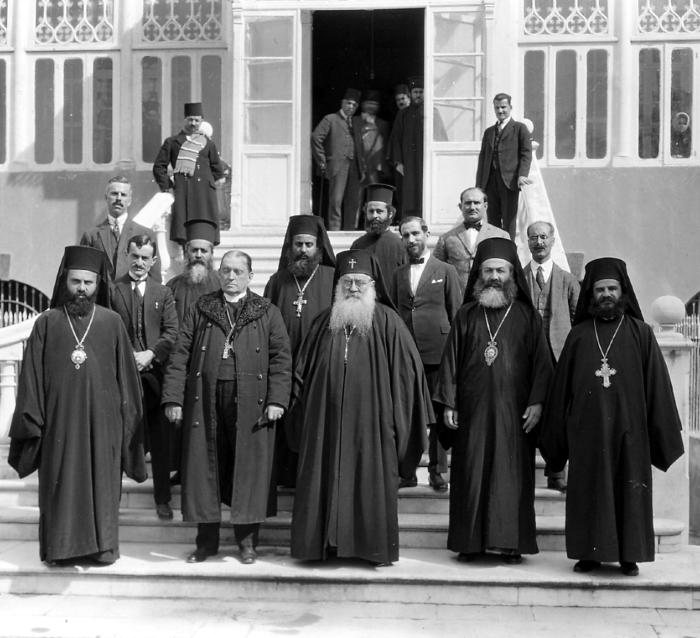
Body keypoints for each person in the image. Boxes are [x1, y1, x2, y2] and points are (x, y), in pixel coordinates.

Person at [539, 258, 684, 577]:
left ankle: (628, 555)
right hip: (587, 433)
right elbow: (561, 390)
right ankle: (588, 554)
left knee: (627, 490)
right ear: (591, 293)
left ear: (623, 292)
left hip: (629, 433)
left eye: (612, 289)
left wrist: (662, 433)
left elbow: (657, 388)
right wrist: (556, 437)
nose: (606, 294)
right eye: (600, 289)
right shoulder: (578, 336)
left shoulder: (641, 333)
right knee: (589, 491)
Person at [288, 250, 432, 565]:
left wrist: (404, 420)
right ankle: (321, 545)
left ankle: (370, 547)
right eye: (347, 282)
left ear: (372, 285)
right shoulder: (322, 322)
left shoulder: (388, 322)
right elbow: (300, 372)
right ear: (338, 286)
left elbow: (410, 375)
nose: (353, 288)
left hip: (373, 426)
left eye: (360, 283)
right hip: (324, 424)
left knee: (369, 482)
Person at [8, 246, 146, 565]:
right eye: (75, 282)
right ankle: (60, 550)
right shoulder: (46, 322)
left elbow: (127, 381)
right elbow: (31, 379)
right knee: (60, 488)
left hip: (104, 427)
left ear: (98, 284)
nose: (82, 289)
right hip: (60, 425)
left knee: (102, 489)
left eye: (88, 282)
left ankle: (102, 549)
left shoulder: (112, 323)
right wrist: (35, 422)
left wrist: (129, 426)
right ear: (64, 281)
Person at [162, 250, 292, 565]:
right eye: (226, 271)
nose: (231, 277)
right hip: (205, 399)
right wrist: (173, 398)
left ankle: (247, 543)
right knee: (205, 469)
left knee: (246, 470)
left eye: (237, 271)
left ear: (250, 275)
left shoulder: (267, 311)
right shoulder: (202, 308)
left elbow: (281, 359)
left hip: (250, 403)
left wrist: (277, 400)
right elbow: (180, 353)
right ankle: (206, 544)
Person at [434, 237, 552, 564]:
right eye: (488, 270)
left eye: (501, 270)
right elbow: (451, 363)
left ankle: (510, 544)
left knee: (511, 478)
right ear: (478, 274)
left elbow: (543, 365)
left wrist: (538, 402)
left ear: (512, 274)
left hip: (514, 414)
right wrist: (449, 402)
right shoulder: (467, 315)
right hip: (472, 413)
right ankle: (469, 543)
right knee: (470, 475)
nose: (495, 276)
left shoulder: (528, 317)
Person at [264, 214, 336, 486]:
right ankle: (285, 476)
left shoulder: (332, 277)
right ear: (289, 246)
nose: (303, 250)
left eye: (308, 244)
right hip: (283, 367)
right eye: (298, 244)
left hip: (320, 366)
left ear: (319, 247)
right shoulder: (277, 281)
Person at [111, 235, 179, 520]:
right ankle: (110, 500)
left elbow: (171, 332)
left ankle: (162, 499)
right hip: (122, 378)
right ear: (128, 256)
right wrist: (129, 359)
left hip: (154, 376)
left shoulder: (162, 293)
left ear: (153, 261)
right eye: (135, 256)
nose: (139, 263)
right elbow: (108, 331)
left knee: (160, 441)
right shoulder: (114, 291)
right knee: (116, 438)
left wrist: (151, 354)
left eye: (145, 258)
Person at [391, 217, 462, 492]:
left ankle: (437, 470)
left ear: (427, 234)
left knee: (437, 411)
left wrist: (455, 353)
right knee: (407, 413)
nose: (411, 240)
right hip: (408, 354)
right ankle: (407, 471)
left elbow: (456, 314)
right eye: (405, 236)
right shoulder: (398, 274)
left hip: (438, 353)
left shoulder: (445, 270)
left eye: (415, 234)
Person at [524, 220, 579, 492]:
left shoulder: (568, 280)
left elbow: (577, 319)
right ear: (528, 242)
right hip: (527, 360)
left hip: (558, 357)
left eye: (543, 237)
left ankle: (556, 472)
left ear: (552, 240)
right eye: (533, 238)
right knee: (527, 411)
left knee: (558, 415)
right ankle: (521, 472)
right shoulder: (518, 279)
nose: (539, 242)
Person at [153, 102, 227, 245]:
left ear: (201, 121)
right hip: (184, 193)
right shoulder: (172, 142)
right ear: (185, 120)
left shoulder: (208, 143)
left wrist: (214, 182)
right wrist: (168, 186)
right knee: (184, 234)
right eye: (190, 119)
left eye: (197, 120)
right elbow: (158, 167)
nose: (193, 123)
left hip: (205, 195)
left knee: (205, 231)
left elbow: (217, 169)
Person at [80, 175, 162, 283]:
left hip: (132, 297)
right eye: (114, 194)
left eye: (123, 195)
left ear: (129, 200)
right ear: (106, 197)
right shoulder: (91, 236)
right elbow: (83, 273)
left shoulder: (146, 234)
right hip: (102, 298)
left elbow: (155, 278)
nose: (119, 198)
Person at [432, 187, 509, 293]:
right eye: (468, 203)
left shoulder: (501, 236)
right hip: (458, 299)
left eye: (477, 203)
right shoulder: (446, 238)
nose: (472, 207)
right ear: (460, 206)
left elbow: (510, 270)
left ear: (485, 206)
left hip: (491, 297)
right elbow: (436, 271)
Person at [476, 93, 532, 238]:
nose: (500, 111)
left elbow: (526, 153)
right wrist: (479, 186)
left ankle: (508, 252)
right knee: (492, 220)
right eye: (497, 108)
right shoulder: (489, 132)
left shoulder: (519, 128)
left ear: (510, 108)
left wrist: (522, 175)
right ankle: (495, 251)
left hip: (509, 181)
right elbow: (482, 159)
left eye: (503, 107)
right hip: (490, 181)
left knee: (509, 220)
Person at [311, 88, 361, 230]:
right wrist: (322, 160)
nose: (351, 107)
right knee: (336, 201)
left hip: (354, 167)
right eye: (348, 103)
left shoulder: (356, 122)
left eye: (354, 105)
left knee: (353, 201)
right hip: (338, 165)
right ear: (342, 103)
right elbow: (316, 137)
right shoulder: (330, 119)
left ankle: (350, 231)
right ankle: (334, 231)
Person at [350, 183, 406, 293]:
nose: (375, 215)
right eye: (371, 211)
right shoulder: (357, 245)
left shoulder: (399, 245)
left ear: (390, 214)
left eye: (379, 211)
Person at [166, 220, 221, 324]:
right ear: (187, 253)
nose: (198, 255)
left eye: (204, 251)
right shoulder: (172, 286)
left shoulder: (223, 284)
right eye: (194, 250)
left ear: (211, 254)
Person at [387, 76, 425, 216]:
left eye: (421, 92)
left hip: (425, 165)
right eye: (416, 92)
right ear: (411, 94)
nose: (418, 95)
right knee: (408, 195)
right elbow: (395, 139)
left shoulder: (432, 113)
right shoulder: (403, 114)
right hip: (407, 165)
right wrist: (398, 163)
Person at [353, 89, 391, 187]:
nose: (371, 107)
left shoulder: (383, 124)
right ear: (362, 104)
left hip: (376, 168)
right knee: (356, 199)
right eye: (368, 103)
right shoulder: (354, 121)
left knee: (374, 197)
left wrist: (384, 167)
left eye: (374, 104)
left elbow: (386, 146)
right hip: (357, 166)